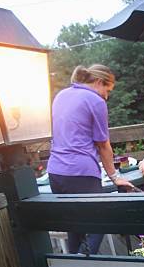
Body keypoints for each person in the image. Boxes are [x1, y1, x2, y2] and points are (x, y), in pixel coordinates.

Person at [47, 64, 133, 254]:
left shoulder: (61, 95)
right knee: (100, 221)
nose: (106, 96)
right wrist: (114, 176)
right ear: (99, 82)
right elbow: (103, 145)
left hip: (55, 173)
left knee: (75, 227)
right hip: (80, 173)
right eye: (107, 90)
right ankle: (86, 265)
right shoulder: (95, 101)